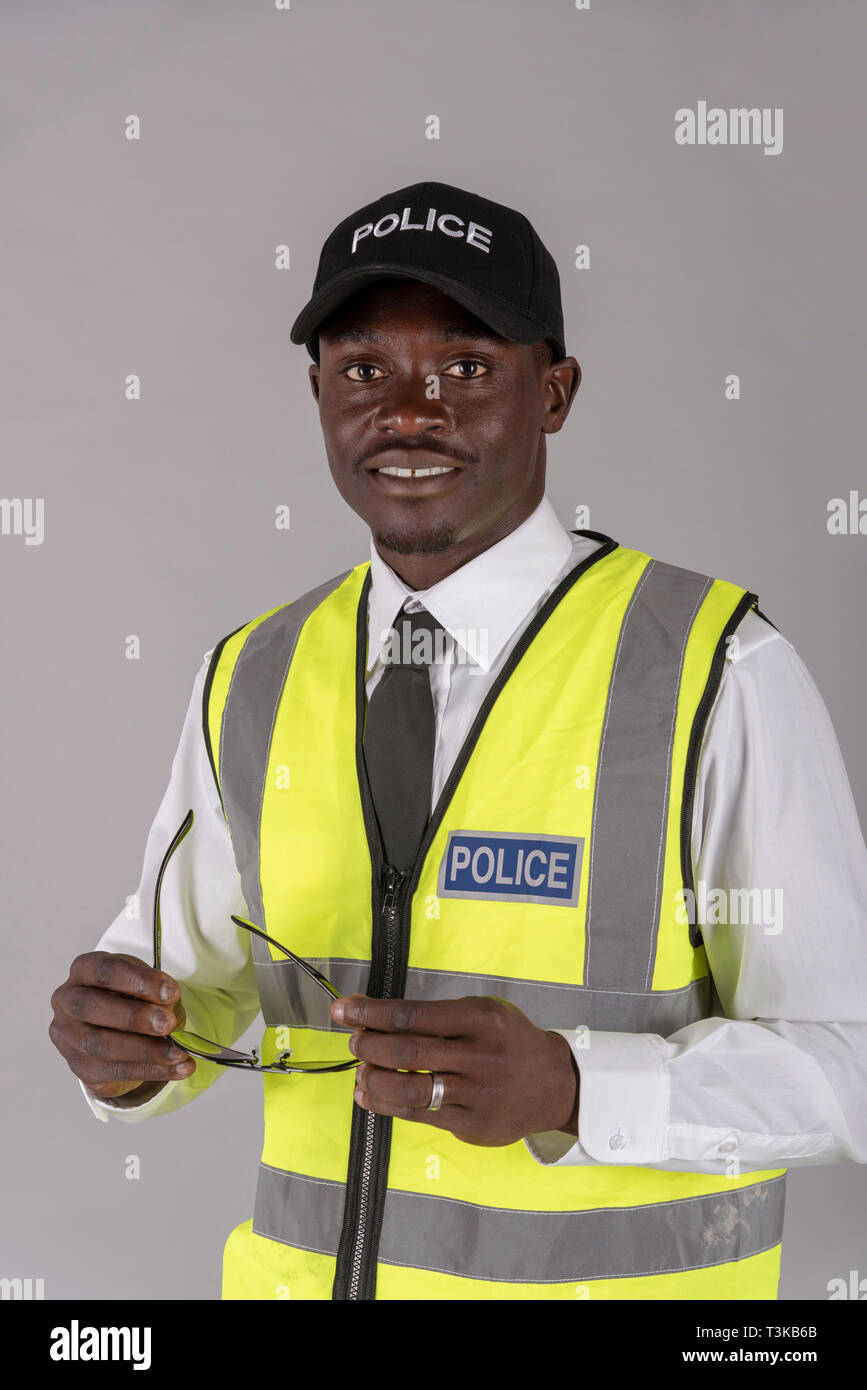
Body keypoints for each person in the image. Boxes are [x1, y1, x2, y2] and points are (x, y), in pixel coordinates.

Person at [49, 181, 867, 1301]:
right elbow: (186, 995)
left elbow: (849, 1065)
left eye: (468, 367)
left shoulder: (716, 669)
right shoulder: (249, 673)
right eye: (362, 369)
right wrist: (121, 1051)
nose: (409, 409)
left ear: (556, 391)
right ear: (319, 393)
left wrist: (578, 1087)